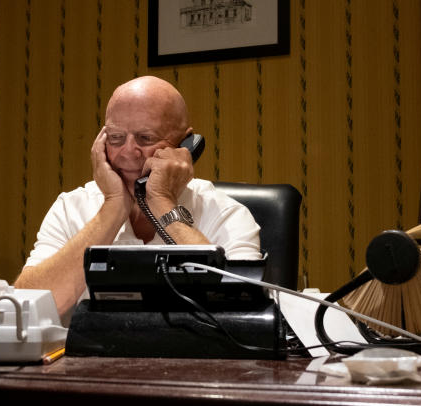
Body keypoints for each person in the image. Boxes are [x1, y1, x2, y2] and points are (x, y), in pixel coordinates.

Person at [14, 76, 261, 314]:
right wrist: (113, 207)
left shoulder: (227, 214)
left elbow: (240, 310)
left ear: (185, 145)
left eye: (146, 138)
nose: (128, 152)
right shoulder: (71, 208)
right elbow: (25, 309)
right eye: (116, 138)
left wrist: (162, 203)